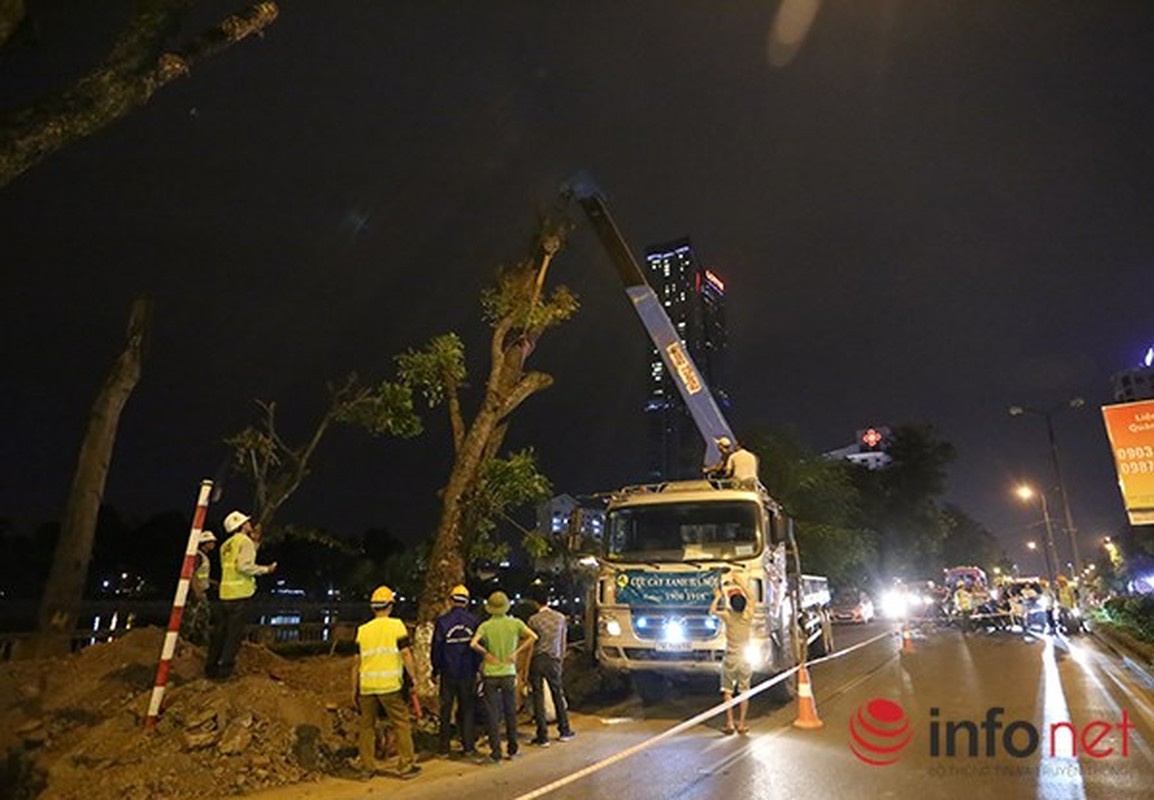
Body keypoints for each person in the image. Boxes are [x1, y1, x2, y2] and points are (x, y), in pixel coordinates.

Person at [351, 585, 422, 780]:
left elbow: (356, 663)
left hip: (367, 687)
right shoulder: (397, 626)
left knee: (366, 728)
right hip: (390, 686)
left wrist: (353, 689)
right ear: (390, 606)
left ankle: (367, 768)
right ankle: (406, 766)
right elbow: (405, 653)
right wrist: (414, 678)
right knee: (401, 724)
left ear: (373, 607)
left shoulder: (362, 630)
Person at [205, 511, 276, 680]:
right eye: (247, 522)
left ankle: (211, 667)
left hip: (225, 594)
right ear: (241, 525)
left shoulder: (226, 545)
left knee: (220, 633)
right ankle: (225, 671)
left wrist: (255, 542)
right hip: (241, 595)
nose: (250, 523)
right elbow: (245, 566)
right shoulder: (245, 542)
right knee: (233, 635)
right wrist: (266, 569)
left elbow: (238, 561)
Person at [470, 591, 537, 763]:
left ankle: (495, 752)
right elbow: (533, 637)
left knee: (492, 714)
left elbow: (473, 643)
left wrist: (486, 654)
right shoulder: (515, 623)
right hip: (508, 672)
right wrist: (516, 652)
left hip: (491, 673)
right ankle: (513, 749)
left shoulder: (485, 626)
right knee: (510, 712)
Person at [431, 584, 481, 758]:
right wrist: (477, 668)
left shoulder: (443, 622)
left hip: (448, 672)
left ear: (451, 601)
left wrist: (435, 669)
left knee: (446, 710)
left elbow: (437, 648)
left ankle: (444, 748)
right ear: (466, 602)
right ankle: (468, 746)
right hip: (468, 672)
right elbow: (478, 648)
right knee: (467, 709)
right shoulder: (474, 621)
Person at [526, 588, 576, 746]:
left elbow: (531, 644)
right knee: (557, 694)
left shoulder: (533, 620)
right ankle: (564, 730)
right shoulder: (560, 618)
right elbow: (563, 641)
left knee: (538, 698)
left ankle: (543, 736)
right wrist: (560, 659)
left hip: (538, 659)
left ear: (535, 603)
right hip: (553, 660)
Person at [709, 577, 753, 735]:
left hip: (730, 657)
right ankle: (741, 724)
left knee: (727, 690)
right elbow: (751, 597)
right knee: (744, 691)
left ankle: (729, 723)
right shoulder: (748, 614)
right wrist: (740, 582)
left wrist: (718, 596)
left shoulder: (728, 615)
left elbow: (712, 611)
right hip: (745, 658)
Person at [181, 530, 217, 646]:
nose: (213, 544)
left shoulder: (203, 557)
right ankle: (187, 641)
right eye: (211, 542)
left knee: (201, 618)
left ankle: (198, 643)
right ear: (204, 543)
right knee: (192, 619)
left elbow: (201, 575)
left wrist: (213, 583)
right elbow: (192, 573)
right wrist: (196, 590)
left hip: (200, 590)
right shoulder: (198, 556)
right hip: (196, 592)